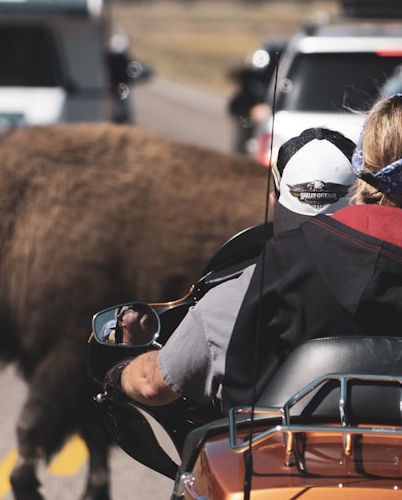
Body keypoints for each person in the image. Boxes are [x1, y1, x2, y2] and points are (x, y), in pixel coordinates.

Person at [106, 127, 357, 410]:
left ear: (274, 200)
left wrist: (120, 370)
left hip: (269, 451)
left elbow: (153, 384)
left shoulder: (236, 296)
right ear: (362, 202)